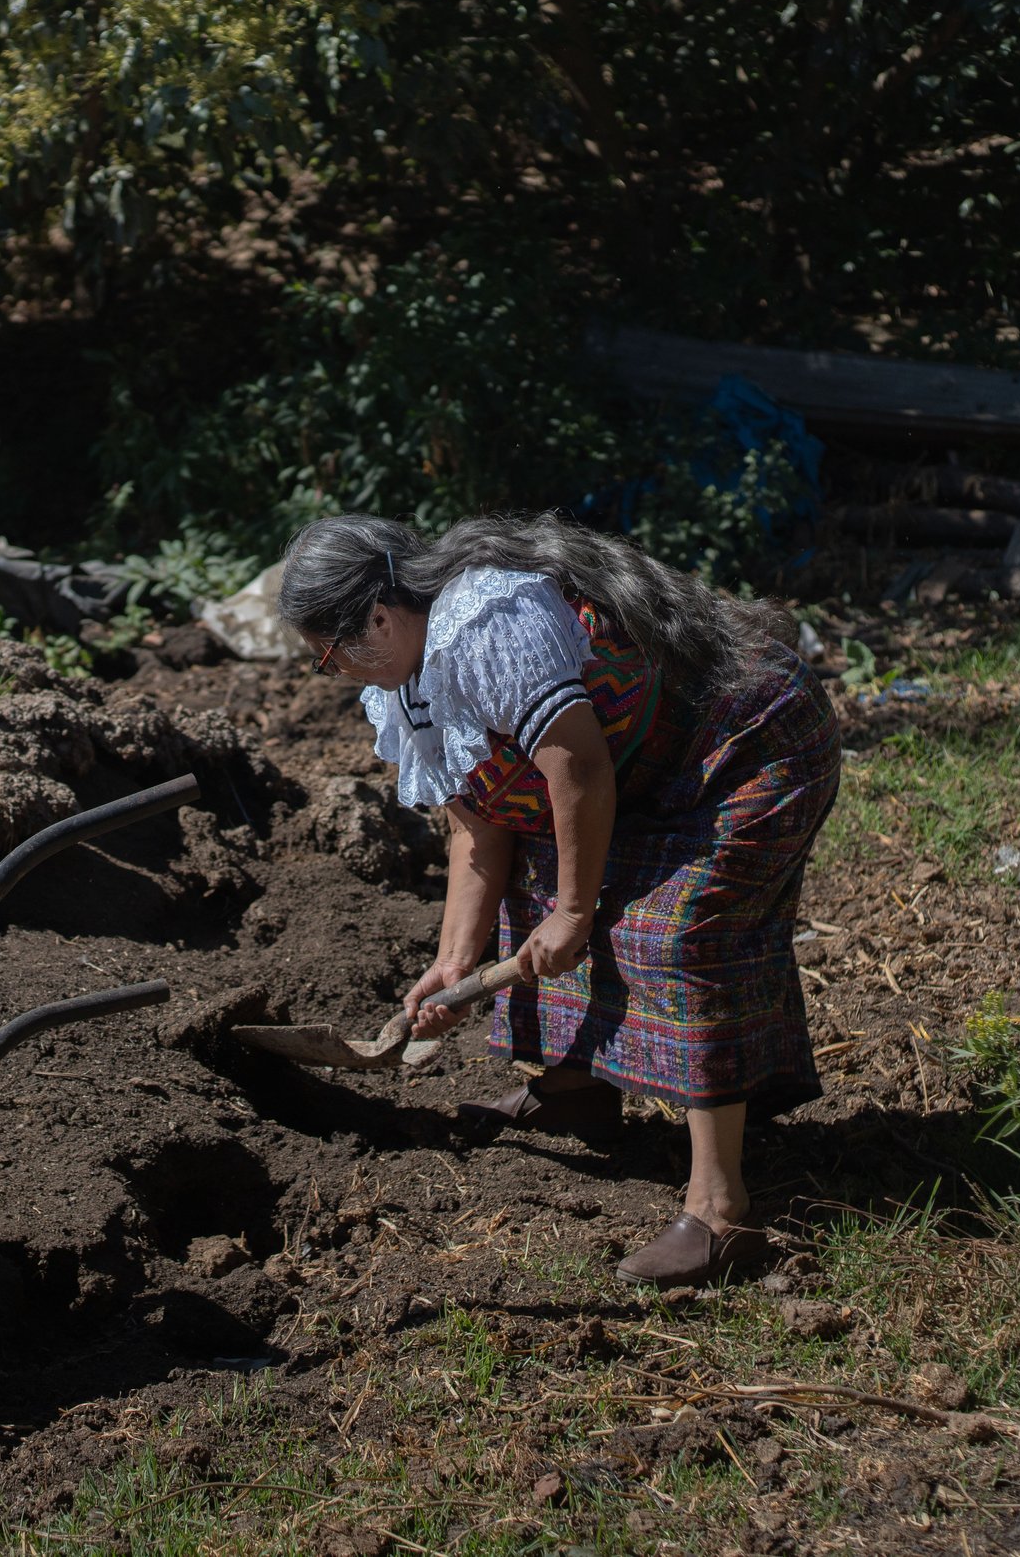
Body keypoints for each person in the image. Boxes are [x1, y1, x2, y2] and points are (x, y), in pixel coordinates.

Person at [277, 511, 840, 1286]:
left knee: (675, 934)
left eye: (327, 654)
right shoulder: (409, 682)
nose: (331, 672)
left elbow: (575, 768)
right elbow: (481, 824)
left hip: (746, 739)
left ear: (377, 615)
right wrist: (454, 963)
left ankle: (721, 1214)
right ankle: (574, 1093)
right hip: (645, 768)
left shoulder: (486, 622)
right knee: (537, 884)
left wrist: (576, 913)